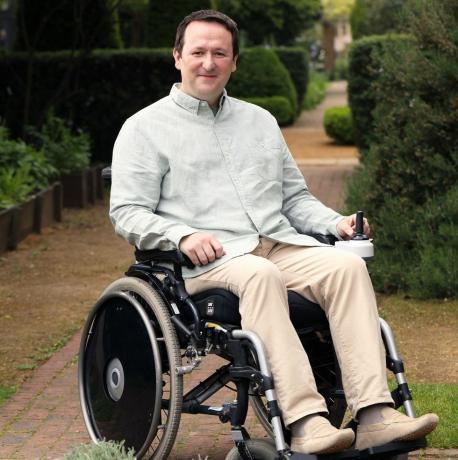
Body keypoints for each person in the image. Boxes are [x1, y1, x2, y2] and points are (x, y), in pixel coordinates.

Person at [110, 9, 438, 455]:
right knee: (258, 276)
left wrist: (334, 223)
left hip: (276, 245)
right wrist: (182, 236)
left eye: (219, 53)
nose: (209, 62)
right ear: (177, 57)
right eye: (199, 52)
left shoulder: (259, 121)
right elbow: (127, 212)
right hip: (203, 262)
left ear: (234, 62)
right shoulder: (144, 128)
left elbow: (294, 200)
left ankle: (376, 414)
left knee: (344, 266)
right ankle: (306, 420)